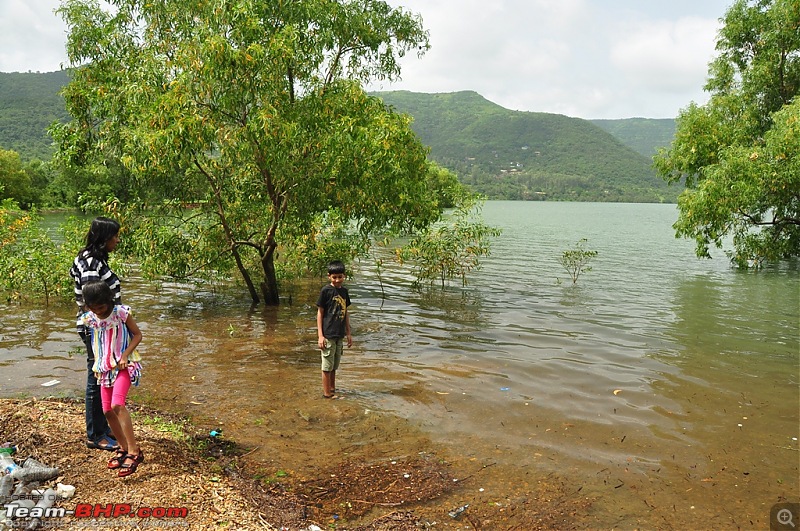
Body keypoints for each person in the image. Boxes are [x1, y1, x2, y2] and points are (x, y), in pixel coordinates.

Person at [80, 280, 144, 477]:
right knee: (107, 410)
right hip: (104, 367)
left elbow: (137, 335)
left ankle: (134, 451)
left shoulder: (121, 314)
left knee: (118, 405)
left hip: (123, 364)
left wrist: (125, 355)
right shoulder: (89, 318)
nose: (98, 311)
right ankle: (123, 447)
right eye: (94, 307)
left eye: (101, 307)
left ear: (109, 301)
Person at [69, 216, 122, 451]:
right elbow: (95, 302)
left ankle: (102, 426)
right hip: (96, 329)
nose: (117, 241)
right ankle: (95, 434)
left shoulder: (91, 258)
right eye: (114, 236)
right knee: (96, 376)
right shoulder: (91, 263)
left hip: (100, 328)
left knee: (101, 374)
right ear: (104, 238)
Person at [316, 261, 352, 399]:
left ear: (344, 276)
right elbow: (320, 313)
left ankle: (332, 389)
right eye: (334, 277)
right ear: (329, 277)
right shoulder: (326, 291)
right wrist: (320, 335)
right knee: (327, 366)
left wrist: (348, 333)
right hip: (328, 334)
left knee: (334, 365)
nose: (337, 280)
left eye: (340, 277)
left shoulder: (344, 292)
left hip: (339, 334)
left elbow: (346, 312)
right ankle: (327, 395)